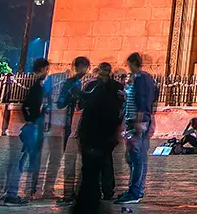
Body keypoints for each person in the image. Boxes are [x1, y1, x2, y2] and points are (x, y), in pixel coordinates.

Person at [73, 63, 124, 214]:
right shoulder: (94, 85)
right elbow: (81, 104)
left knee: (103, 161)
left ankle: (104, 191)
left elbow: (119, 107)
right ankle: (97, 190)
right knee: (96, 160)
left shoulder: (113, 87)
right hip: (95, 128)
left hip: (103, 128)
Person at [0, 56, 50, 204]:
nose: (47, 72)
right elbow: (28, 106)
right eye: (46, 69)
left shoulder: (36, 86)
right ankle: (13, 192)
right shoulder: (36, 87)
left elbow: (25, 106)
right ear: (40, 70)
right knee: (23, 162)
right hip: (32, 128)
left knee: (23, 161)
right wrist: (34, 118)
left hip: (31, 126)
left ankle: (14, 191)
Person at [40, 56, 89, 202]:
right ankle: (39, 190)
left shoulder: (75, 83)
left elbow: (77, 105)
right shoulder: (61, 80)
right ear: (78, 67)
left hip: (60, 124)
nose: (85, 73)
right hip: (53, 124)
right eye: (84, 69)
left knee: (53, 159)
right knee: (48, 158)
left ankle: (44, 189)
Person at [117, 52, 158, 207]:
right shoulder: (147, 78)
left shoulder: (140, 78)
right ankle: (136, 189)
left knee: (136, 158)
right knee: (134, 157)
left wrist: (139, 122)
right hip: (139, 120)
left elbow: (141, 100)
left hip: (136, 122)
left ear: (133, 63)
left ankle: (134, 192)